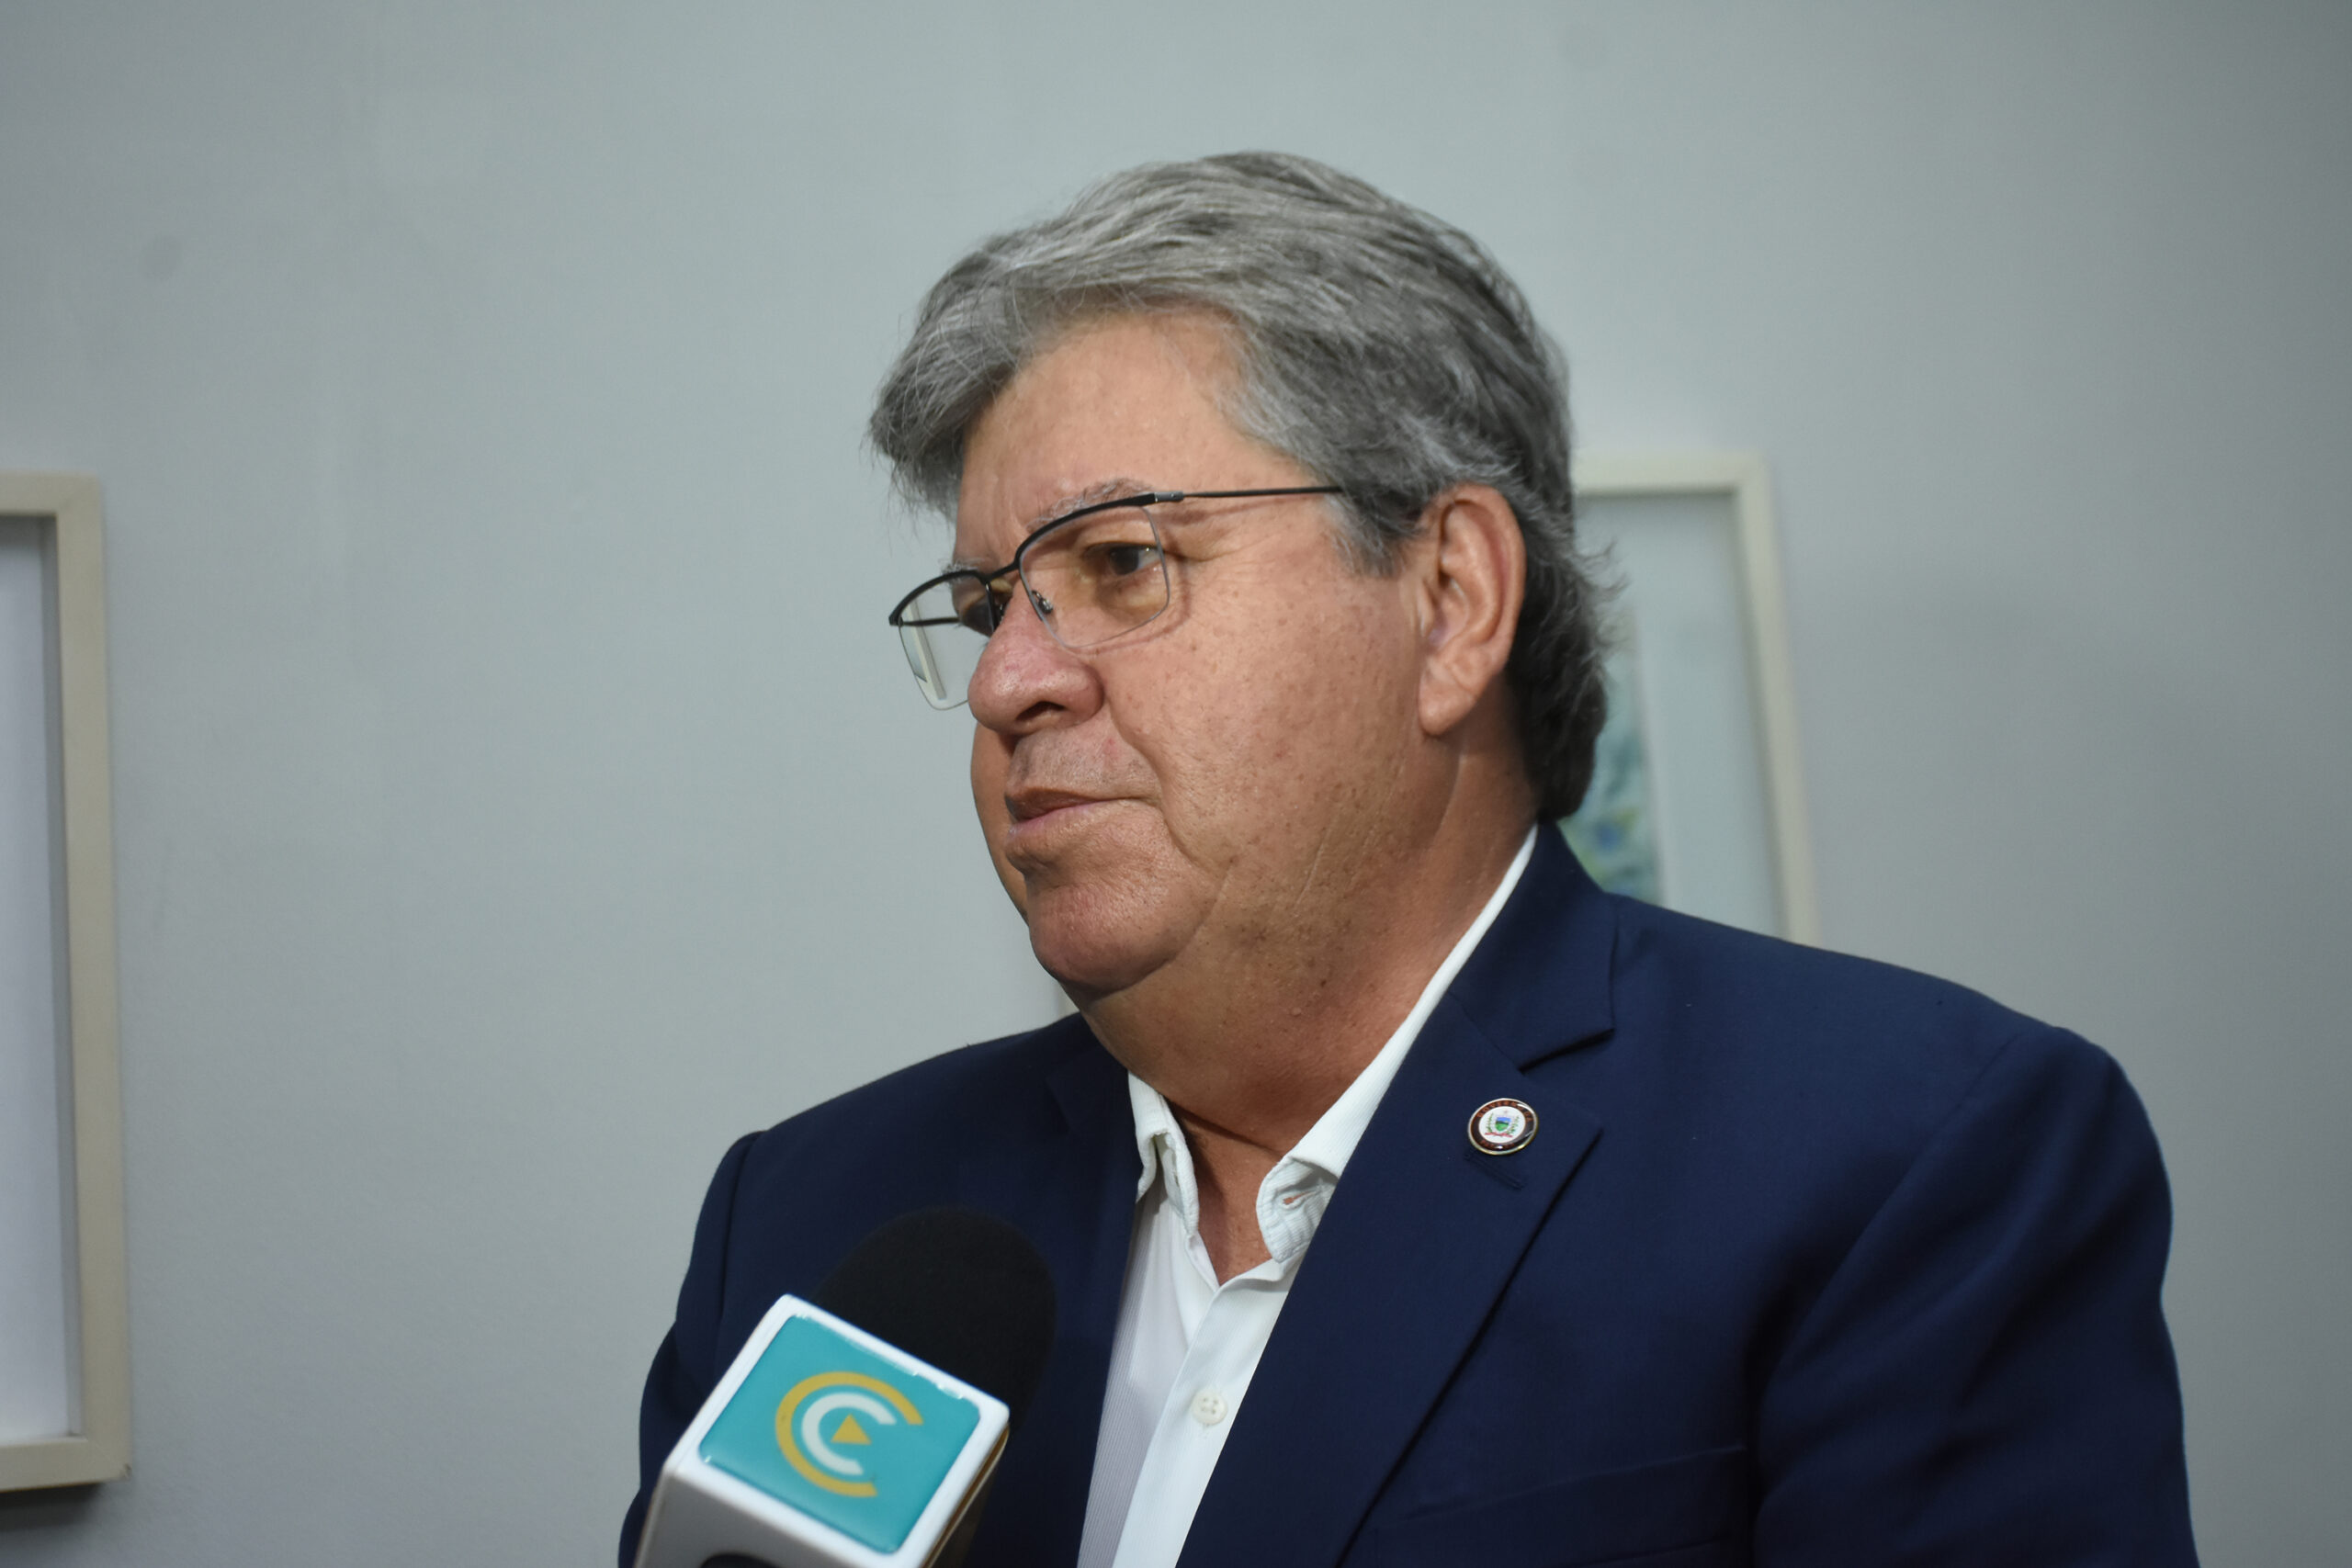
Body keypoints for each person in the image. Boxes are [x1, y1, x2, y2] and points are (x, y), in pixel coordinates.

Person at [623, 152, 2196, 1568]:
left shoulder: (1899, 1163)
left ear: (1449, 603)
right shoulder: (820, 1221)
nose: (1008, 683)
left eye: (1120, 564)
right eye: (986, 610)